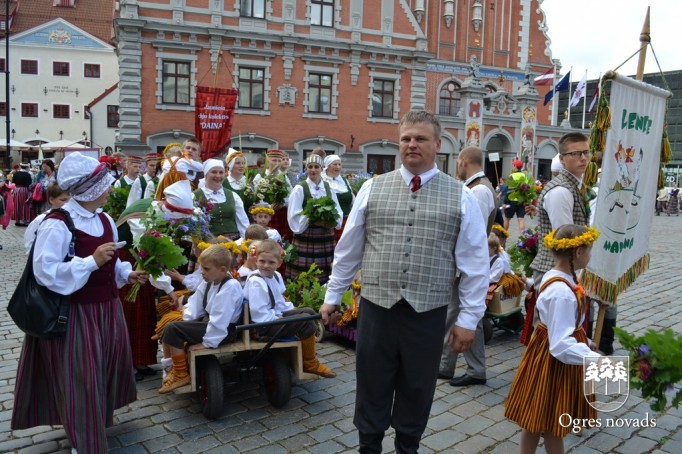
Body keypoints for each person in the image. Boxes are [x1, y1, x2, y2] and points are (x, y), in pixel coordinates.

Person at [320, 110, 489, 453]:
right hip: (377, 306)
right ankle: (369, 446)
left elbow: (475, 264)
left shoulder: (461, 195)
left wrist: (468, 319)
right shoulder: (372, 188)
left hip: (428, 311)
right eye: (406, 138)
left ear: (437, 144)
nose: (412, 144)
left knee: (418, 385)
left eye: (421, 138)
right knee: (372, 381)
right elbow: (349, 249)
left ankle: (407, 447)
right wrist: (333, 295)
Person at [11, 151, 148, 453]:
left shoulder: (105, 219)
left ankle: (93, 422)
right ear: (89, 189)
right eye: (104, 185)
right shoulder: (57, 224)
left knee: (102, 371)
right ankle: (84, 442)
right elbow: (45, 272)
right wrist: (90, 262)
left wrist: (126, 273)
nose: (110, 190)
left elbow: (112, 260)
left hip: (107, 309)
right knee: (81, 379)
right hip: (75, 314)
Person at [505, 224, 601, 454]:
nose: (590, 256)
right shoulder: (562, 293)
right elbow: (560, 344)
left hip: (545, 353)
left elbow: (564, 324)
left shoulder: (557, 276)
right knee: (552, 423)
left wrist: (586, 342)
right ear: (578, 252)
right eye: (589, 250)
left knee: (537, 418)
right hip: (553, 363)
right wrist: (593, 357)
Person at [529, 132, 619, 353]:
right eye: (576, 154)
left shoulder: (576, 186)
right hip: (556, 271)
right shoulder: (561, 191)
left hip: (569, 270)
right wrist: (584, 281)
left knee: (570, 331)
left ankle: (580, 365)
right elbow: (566, 241)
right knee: (553, 338)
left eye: (586, 152)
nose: (583, 158)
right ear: (562, 158)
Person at [439, 146, 496, 386]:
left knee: (457, 313)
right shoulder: (477, 186)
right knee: (467, 315)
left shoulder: (479, 190)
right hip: (466, 263)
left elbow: (473, 235)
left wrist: (459, 269)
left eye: (457, 162)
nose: (456, 167)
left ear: (463, 161)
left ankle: (448, 365)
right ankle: (471, 368)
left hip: (467, 265)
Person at [244, 239, 335, 378]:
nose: (266, 265)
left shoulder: (276, 276)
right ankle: (310, 363)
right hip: (262, 327)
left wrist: (293, 312)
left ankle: (306, 356)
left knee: (309, 312)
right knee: (305, 319)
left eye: (271, 262)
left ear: (279, 263)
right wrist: (285, 318)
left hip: (273, 317)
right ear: (256, 260)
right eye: (262, 261)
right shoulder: (256, 282)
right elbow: (259, 315)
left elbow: (280, 303)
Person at [159, 245, 244, 393]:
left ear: (222, 269)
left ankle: (181, 374)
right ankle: (174, 368)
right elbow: (196, 303)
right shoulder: (209, 282)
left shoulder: (230, 287)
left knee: (173, 329)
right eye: (201, 268)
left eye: (206, 269)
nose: (202, 272)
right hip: (210, 324)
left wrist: (207, 343)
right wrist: (186, 316)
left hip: (224, 331)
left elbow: (220, 319)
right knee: (171, 326)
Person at [286, 154, 343, 283]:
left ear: (322, 169)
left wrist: (331, 222)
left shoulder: (328, 187)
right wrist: (312, 218)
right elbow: (294, 215)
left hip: (325, 236)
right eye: (310, 167)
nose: (313, 170)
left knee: (325, 273)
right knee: (304, 275)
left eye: (316, 167)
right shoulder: (300, 188)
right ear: (306, 168)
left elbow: (338, 211)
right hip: (306, 235)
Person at [194, 159, 249, 239]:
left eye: (221, 172)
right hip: (208, 243)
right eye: (214, 172)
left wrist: (244, 240)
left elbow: (243, 222)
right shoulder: (195, 196)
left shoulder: (233, 195)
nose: (218, 176)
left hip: (234, 241)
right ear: (206, 175)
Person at [24, 183, 71, 254]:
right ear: (51, 200)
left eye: (70, 201)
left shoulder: (72, 217)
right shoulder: (40, 220)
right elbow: (30, 243)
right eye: (63, 200)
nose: (67, 204)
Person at [322, 154, 355, 242]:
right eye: (335, 164)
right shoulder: (322, 181)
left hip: (346, 221)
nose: (338, 167)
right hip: (329, 223)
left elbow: (353, 200)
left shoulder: (344, 181)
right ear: (328, 166)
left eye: (339, 164)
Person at [503, 159, 527, 232]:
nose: (512, 167)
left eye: (513, 165)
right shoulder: (524, 175)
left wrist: (505, 202)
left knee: (507, 219)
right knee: (521, 219)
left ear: (515, 166)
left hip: (512, 200)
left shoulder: (512, 176)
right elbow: (527, 188)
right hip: (521, 200)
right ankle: (523, 237)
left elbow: (508, 190)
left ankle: (503, 236)